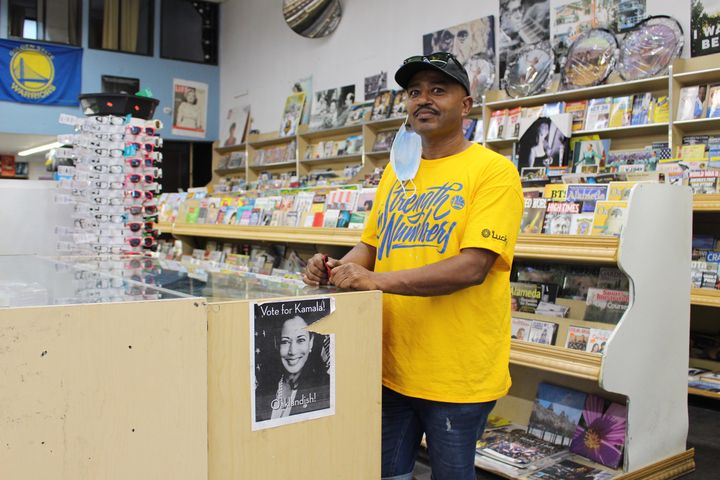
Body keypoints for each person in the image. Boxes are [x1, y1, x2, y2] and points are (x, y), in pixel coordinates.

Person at [303, 52, 523, 480]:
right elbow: (371, 244)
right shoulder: (396, 173)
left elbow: (472, 267)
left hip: (457, 373)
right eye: (414, 91)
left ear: (465, 105)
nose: (424, 100)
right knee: (386, 473)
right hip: (390, 364)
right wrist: (333, 270)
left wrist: (373, 280)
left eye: (438, 90)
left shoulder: (494, 172)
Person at [255, 315, 330, 421]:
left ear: (311, 343)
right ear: (277, 343)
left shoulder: (325, 386)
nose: (293, 351)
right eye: (285, 341)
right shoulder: (263, 390)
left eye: (300, 340)